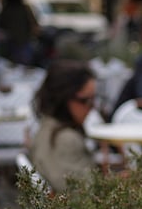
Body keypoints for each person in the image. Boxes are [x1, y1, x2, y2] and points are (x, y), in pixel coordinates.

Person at [28, 59, 98, 193]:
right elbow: (83, 195)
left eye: (94, 98)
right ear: (63, 98)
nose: (92, 107)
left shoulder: (47, 127)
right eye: (85, 100)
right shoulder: (65, 139)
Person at [0, 0, 40, 65]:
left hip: (9, 46)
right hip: (23, 44)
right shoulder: (25, 9)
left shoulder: (5, 10)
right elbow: (35, 27)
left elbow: (0, 27)